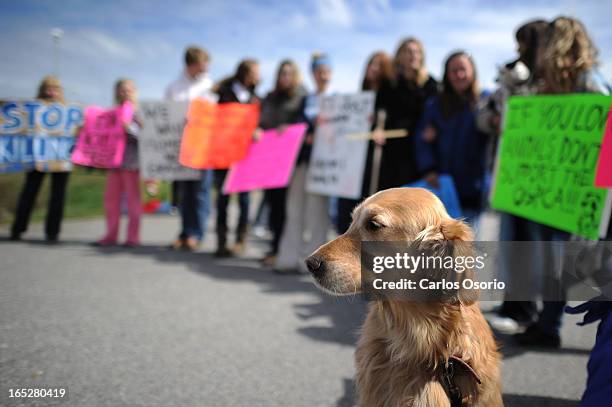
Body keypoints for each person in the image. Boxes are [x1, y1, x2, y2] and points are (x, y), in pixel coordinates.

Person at [514, 16, 611, 348]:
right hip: (546, 193)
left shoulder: (590, 82)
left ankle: (551, 326)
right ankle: (546, 323)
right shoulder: (545, 85)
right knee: (549, 265)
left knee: (569, 265)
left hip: (575, 194)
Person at [482, 19, 550, 334]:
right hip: (511, 174)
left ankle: (527, 309)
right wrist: (497, 114)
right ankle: (513, 302)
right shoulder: (511, 76)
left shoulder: (549, 80)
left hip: (539, 177)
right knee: (511, 241)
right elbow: (484, 114)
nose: (517, 49)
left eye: (523, 42)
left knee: (531, 244)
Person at [274, 53, 332, 273]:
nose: (322, 75)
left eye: (326, 71)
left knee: (317, 214)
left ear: (331, 73)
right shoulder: (305, 99)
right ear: (313, 73)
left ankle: (314, 264)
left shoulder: (339, 99)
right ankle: (288, 257)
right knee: (294, 209)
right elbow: (296, 124)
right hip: (301, 162)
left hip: (325, 166)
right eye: (318, 71)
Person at [415, 51, 488, 224]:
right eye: (453, 71)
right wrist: (428, 168)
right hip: (442, 189)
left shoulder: (485, 101)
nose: (459, 75)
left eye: (463, 69)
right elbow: (421, 141)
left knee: (468, 246)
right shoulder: (435, 105)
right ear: (447, 75)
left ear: (473, 71)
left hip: (473, 189)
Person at [336, 51, 394, 234]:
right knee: (346, 213)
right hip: (353, 163)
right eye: (371, 64)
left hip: (375, 165)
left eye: (379, 65)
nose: (374, 69)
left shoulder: (389, 98)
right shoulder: (359, 97)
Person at [257, 59, 308, 266]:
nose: (285, 77)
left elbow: (305, 123)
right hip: (270, 159)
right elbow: (261, 120)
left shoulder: (302, 96)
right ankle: (275, 247)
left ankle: (286, 250)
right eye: (281, 73)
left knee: (289, 208)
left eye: (289, 73)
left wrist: (289, 128)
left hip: (291, 161)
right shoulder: (269, 97)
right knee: (273, 205)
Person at [165, 46, 216, 251]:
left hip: (203, 147)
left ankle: (196, 233)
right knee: (185, 192)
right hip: (181, 147)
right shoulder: (174, 87)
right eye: (203, 63)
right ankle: (185, 232)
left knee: (200, 192)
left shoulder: (209, 86)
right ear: (192, 64)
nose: (207, 67)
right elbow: (166, 113)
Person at [11, 76, 70, 243]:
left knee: (57, 196)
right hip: (37, 158)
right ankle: (18, 228)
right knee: (29, 192)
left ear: (60, 91)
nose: (51, 92)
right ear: (42, 89)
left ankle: (52, 232)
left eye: (55, 89)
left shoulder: (68, 110)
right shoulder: (32, 109)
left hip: (60, 159)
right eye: (47, 88)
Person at [375, 38, 438, 191]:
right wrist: (378, 129)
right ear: (399, 57)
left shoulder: (431, 84)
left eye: (417, 52)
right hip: (393, 152)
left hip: (420, 151)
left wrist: (434, 129)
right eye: (408, 52)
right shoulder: (389, 84)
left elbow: (438, 114)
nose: (413, 55)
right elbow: (379, 112)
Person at [212, 59, 260, 257]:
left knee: (244, 200)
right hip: (223, 154)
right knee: (222, 199)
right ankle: (221, 241)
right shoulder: (223, 93)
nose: (259, 76)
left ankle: (240, 240)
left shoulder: (255, 98)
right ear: (246, 73)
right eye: (256, 72)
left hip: (245, 156)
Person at [95, 79, 143, 247]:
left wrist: (129, 127)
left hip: (131, 163)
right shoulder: (111, 113)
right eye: (122, 90)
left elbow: (145, 137)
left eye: (129, 90)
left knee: (132, 201)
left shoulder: (140, 113)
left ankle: (132, 237)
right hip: (114, 163)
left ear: (135, 91)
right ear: (117, 93)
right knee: (111, 201)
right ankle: (111, 234)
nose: (126, 93)